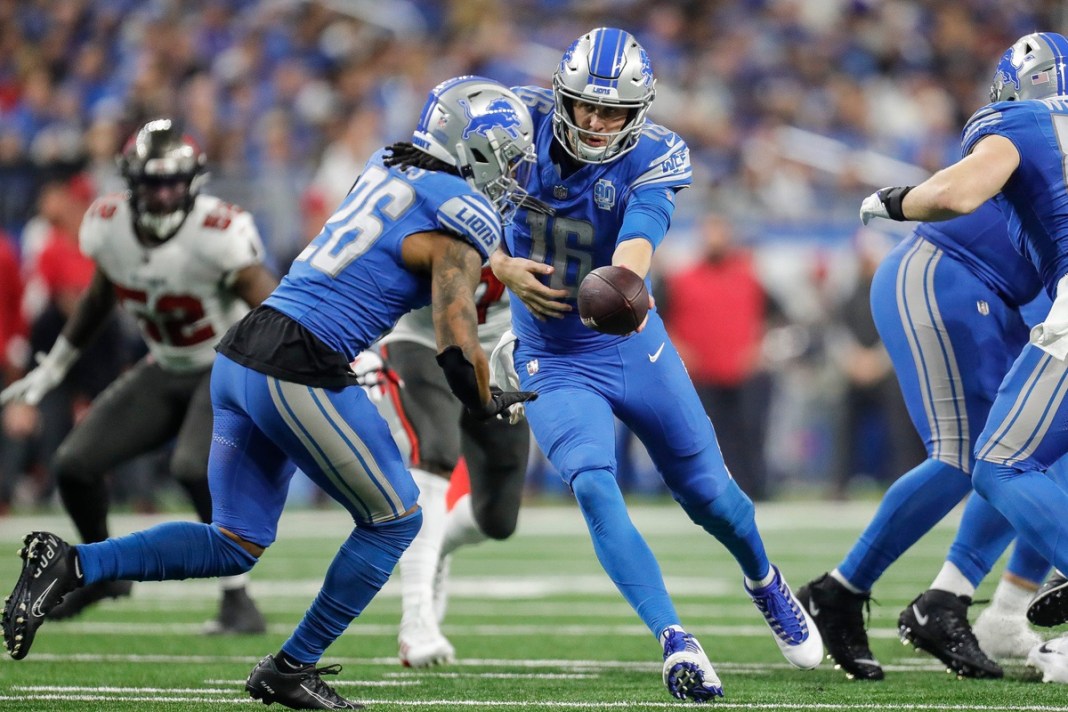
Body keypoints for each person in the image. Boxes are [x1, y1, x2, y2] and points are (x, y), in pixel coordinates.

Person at [1, 76, 539, 711]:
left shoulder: (387, 163)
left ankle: (71, 564)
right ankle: (292, 667)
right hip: (301, 360)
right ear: (473, 149)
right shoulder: (462, 212)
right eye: (506, 157)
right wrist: (486, 400)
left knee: (235, 540)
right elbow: (455, 339)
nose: (512, 174)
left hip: (241, 351)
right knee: (397, 518)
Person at [487, 27, 822, 703]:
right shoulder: (511, 128)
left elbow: (641, 237)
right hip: (551, 354)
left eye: (612, 111)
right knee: (591, 481)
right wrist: (497, 266)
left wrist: (618, 284)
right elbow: (451, 207)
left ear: (638, 112)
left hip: (627, 338)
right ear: (561, 95)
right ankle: (674, 639)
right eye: (584, 105)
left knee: (710, 496)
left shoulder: (656, 154)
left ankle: (764, 578)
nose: (595, 121)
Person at [0, 123, 273, 631]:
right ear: (130, 181)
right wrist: (55, 365)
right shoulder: (108, 224)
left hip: (221, 364)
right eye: (151, 182)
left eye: (173, 182)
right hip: (164, 364)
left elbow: (274, 307)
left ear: (194, 181)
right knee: (74, 464)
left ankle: (238, 598)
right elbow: (101, 296)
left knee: (195, 467)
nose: (163, 194)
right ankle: (104, 575)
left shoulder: (219, 232)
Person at [858, 31, 1068, 683]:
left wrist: (893, 200)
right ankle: (1007, 612)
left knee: (1001, 460)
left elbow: (960, 193)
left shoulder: (1022, 120)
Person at [797, 203, 1060, 680]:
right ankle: (843, 592)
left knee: (1019, 454)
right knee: (973, 456)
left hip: (994, 294)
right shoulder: (1041, 137)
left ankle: (948, 601)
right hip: (947, 275)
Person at [376, 273, 531, 668]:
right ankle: (416, 621)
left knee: (498, 519)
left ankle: (437, 544)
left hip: (498, 352)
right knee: (435, 451)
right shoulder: (439, 210)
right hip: (423, 338)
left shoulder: (541, 212)